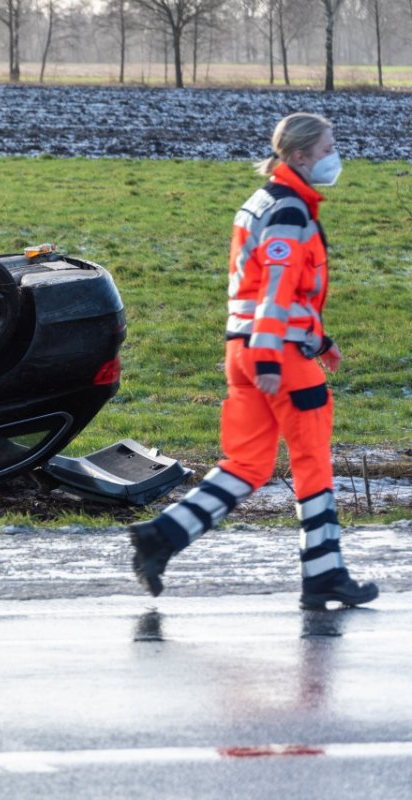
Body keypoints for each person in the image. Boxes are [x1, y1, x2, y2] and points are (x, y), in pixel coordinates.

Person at [128, 112, 378, 611]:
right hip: (277, 356)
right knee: (312, 464)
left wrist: (319, 340)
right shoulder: (290, 210)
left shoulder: (262, 201)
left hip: (245, 351)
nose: (335, 155)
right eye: (328, 147)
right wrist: (274, 355)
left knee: (248, 464)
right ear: (301, 155)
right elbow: (277, 290)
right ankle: (325, 576)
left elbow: (269, 291)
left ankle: (162, 537)